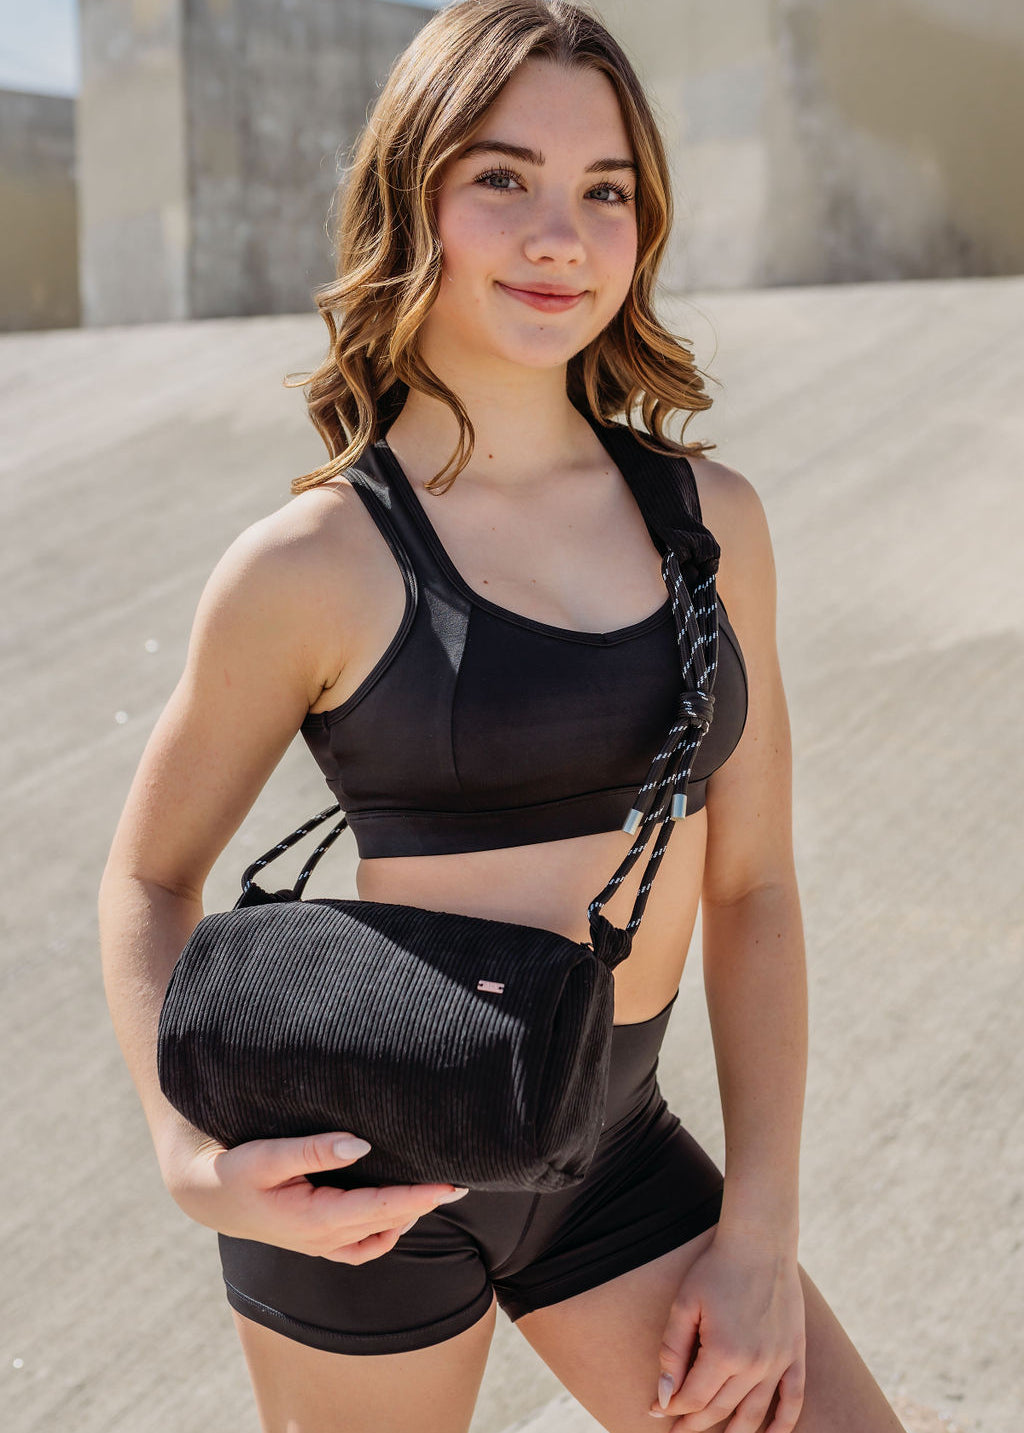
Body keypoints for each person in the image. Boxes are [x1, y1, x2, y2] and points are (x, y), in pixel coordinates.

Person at [98, 3, 908, 1430]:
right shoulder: (312, 564)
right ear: (414, 195)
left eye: (607, 191)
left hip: (618, 1151)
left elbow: (758, 883)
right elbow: (148, 875)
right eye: (504, 179)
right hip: (362, 1178)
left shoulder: (711, 524)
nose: (561, 235)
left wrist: (762, 1228)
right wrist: (186, 1151)